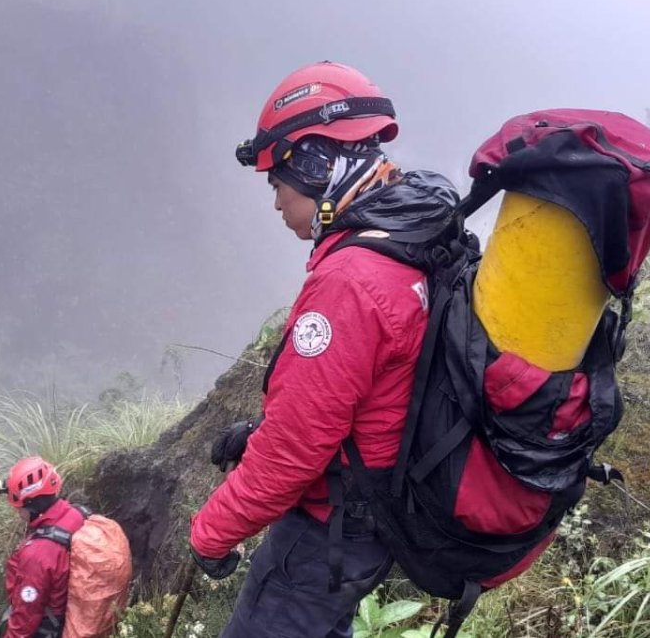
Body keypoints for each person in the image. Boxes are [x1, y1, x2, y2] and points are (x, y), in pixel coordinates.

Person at [189, 61, 460, 637]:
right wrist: (258, 432)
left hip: (324, 534)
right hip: (369, 523)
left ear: (317, 166)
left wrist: (210, 532)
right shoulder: (412, 243)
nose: (277, 205)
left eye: (278, 184)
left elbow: (297, 447)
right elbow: (355, 398)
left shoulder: (352, 281)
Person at [0, 456, 85, 638]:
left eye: (19, 506)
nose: (17, 511)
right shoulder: (75, 513)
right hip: (66, 616)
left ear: (31, 504)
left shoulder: (38, 554)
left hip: (47, 629)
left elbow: (25, 618)